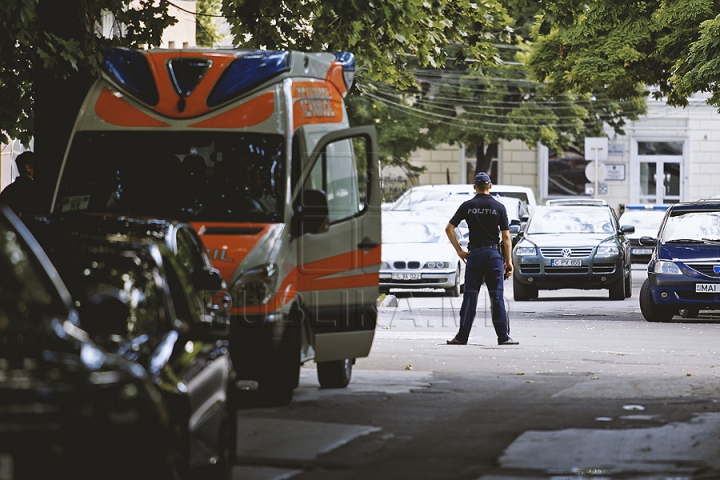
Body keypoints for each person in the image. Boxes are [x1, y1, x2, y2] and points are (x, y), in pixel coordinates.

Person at [445, 172, 518, 346]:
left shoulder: (467, 206)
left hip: (475, 255)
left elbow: (449, 228)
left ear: (475, 187)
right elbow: (506, 238)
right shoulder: (499, 207)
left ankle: (462, 337)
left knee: (470, 297)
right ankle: (503, 337)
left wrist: (459, 251)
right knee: (497, 297)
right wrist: (508, 262)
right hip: (493, 255)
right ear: (490, 186)